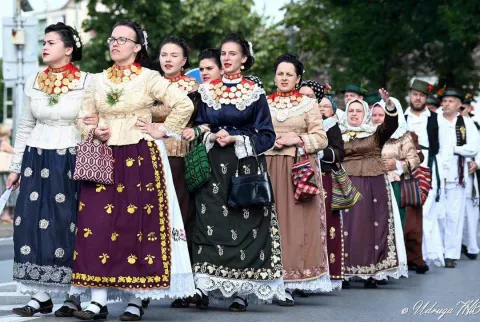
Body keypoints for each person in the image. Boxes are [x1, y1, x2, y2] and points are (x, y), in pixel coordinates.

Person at [69, 20, 195, 321]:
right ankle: (96, 301)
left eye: (123, 39)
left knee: (137, 227)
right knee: (95, 226)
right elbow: (83, 116)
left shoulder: (149, 78)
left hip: (140, 155)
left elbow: (183, 105)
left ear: (137, 47)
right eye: (112, 38)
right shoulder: (97, 81)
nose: (115, 43)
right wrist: (92, 130)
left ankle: (136, 300)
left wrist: (160, 129)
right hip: (103, 156)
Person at [6, 22, 96, 318]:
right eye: (44, 42)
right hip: (35, 158)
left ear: (69, 50)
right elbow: (24, 126)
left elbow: (92, 122)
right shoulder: (34, 79)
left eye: (52, 42)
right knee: (29, 222)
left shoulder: (87, 81)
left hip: (71, 157)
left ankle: (75, 295)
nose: (44, 47)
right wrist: (15, 167)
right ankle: (40, 296)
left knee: (69, 222)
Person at [189, 33, 284, 312]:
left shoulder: (255, 93)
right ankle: (203, 287)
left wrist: (237, 139)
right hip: (212, 167)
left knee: (244, 224)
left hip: (243, 168)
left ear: (244, 59)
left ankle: (242, 291)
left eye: (232, 54)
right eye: (223, 54)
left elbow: (267, 136)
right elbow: (199, 125)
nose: (226, 58)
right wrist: (207, 134)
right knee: (210, 223)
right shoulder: (205, 91)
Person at [266, 56, 329, 306]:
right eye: (280, 73)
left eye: (289, 74)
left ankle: (288, 282)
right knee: (269, 222)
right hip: (268, 166)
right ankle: (266, 278)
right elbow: (255, 132)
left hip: (297, 168)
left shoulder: (307, 104)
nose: (283, 78)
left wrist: (297, 140)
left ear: (298, 78)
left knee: (293, 226)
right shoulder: (263, 102)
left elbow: (321, 138)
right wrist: (268, 139)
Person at [339, 92, 404, 288]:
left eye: (359, 111)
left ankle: (372, 272)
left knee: (371, 226)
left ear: (365, 114)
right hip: (344, 182)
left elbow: (391, 125)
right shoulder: (337, 133)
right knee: (346, 227)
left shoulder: (375, 133)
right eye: (351, 111)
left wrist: (389, 105)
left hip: (373, 183)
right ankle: (345, 272)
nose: (355, 114)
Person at [155, 36, 198, 263]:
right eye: (164, 55)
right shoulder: (151, 84)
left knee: (181, 210)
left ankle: (182, 268)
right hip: (151, 152)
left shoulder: (193, 88)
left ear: (184, 61)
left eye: (174, 55)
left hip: (179, 152)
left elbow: (195, 119)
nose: (168, 60)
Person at [374, 99, 428, 274]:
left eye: (381, 115)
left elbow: (417, 158)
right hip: (374, 184)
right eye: (374, 115)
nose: (377, 118)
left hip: (400, 184)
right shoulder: (366, 134)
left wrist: (397, 164)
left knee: (407, 225)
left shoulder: (406, 135)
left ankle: (408, 259)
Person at [300, 80, 345, 291]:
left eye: (309, 96)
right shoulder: (293, 119)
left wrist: (320, 152)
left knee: (323, 225)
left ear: (317, 100)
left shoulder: (329, 124)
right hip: (295, 176)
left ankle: (322, 275)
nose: (304, 99)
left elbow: (338, 152)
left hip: (323, 179)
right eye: (301, 95)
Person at [428, 88, 480, 268]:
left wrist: (453, 149)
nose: (447, 104)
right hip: (437, 174)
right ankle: (438, 250)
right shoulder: (435, 120)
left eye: (451, 101)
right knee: (438, 214)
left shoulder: (466, 123)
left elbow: (473, 148)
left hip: (458, 176)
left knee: (454, 216)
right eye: (445, 100)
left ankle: (451, 254)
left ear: (459, 105)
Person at [404, 79, 443, 267]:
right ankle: (409, 255)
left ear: (425, 98)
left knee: (427, 211)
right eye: (415, 94)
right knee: (408, 212)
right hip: (405, 167)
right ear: (410, 96)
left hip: (428, 166)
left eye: (421, 95)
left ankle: (426, 254)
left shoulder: (435, 118)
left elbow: (442, 148)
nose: (418, 98)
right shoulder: (403, 118)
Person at [0, 123, 17, 224]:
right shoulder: (4, 143)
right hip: (5, 171)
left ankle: (5, 214)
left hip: (1, 171)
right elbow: (15, 153)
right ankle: (6, 215)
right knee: (8, 191)